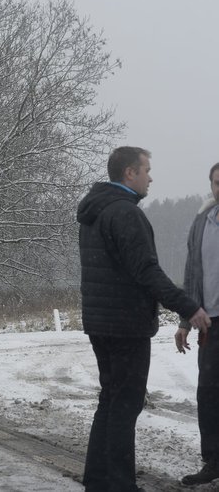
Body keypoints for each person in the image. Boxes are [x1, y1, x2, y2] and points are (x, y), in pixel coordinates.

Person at [78, 146, 210, 491]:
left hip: (100, 322)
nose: (151, 177)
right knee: (125, 403)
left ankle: (97, 480)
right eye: (146, 170)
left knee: (110, 399)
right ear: (129, 173)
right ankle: (119, 484)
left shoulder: (95, 211)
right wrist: (188, 307)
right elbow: (146, 271)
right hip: (125, 324)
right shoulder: (124, 213)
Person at [175, 162, 219, 486]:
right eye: (217, 183)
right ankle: (214, 461)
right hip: (210, 324)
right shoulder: (202, 223)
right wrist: (184, 321)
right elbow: (191, 274)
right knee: (208, 393)